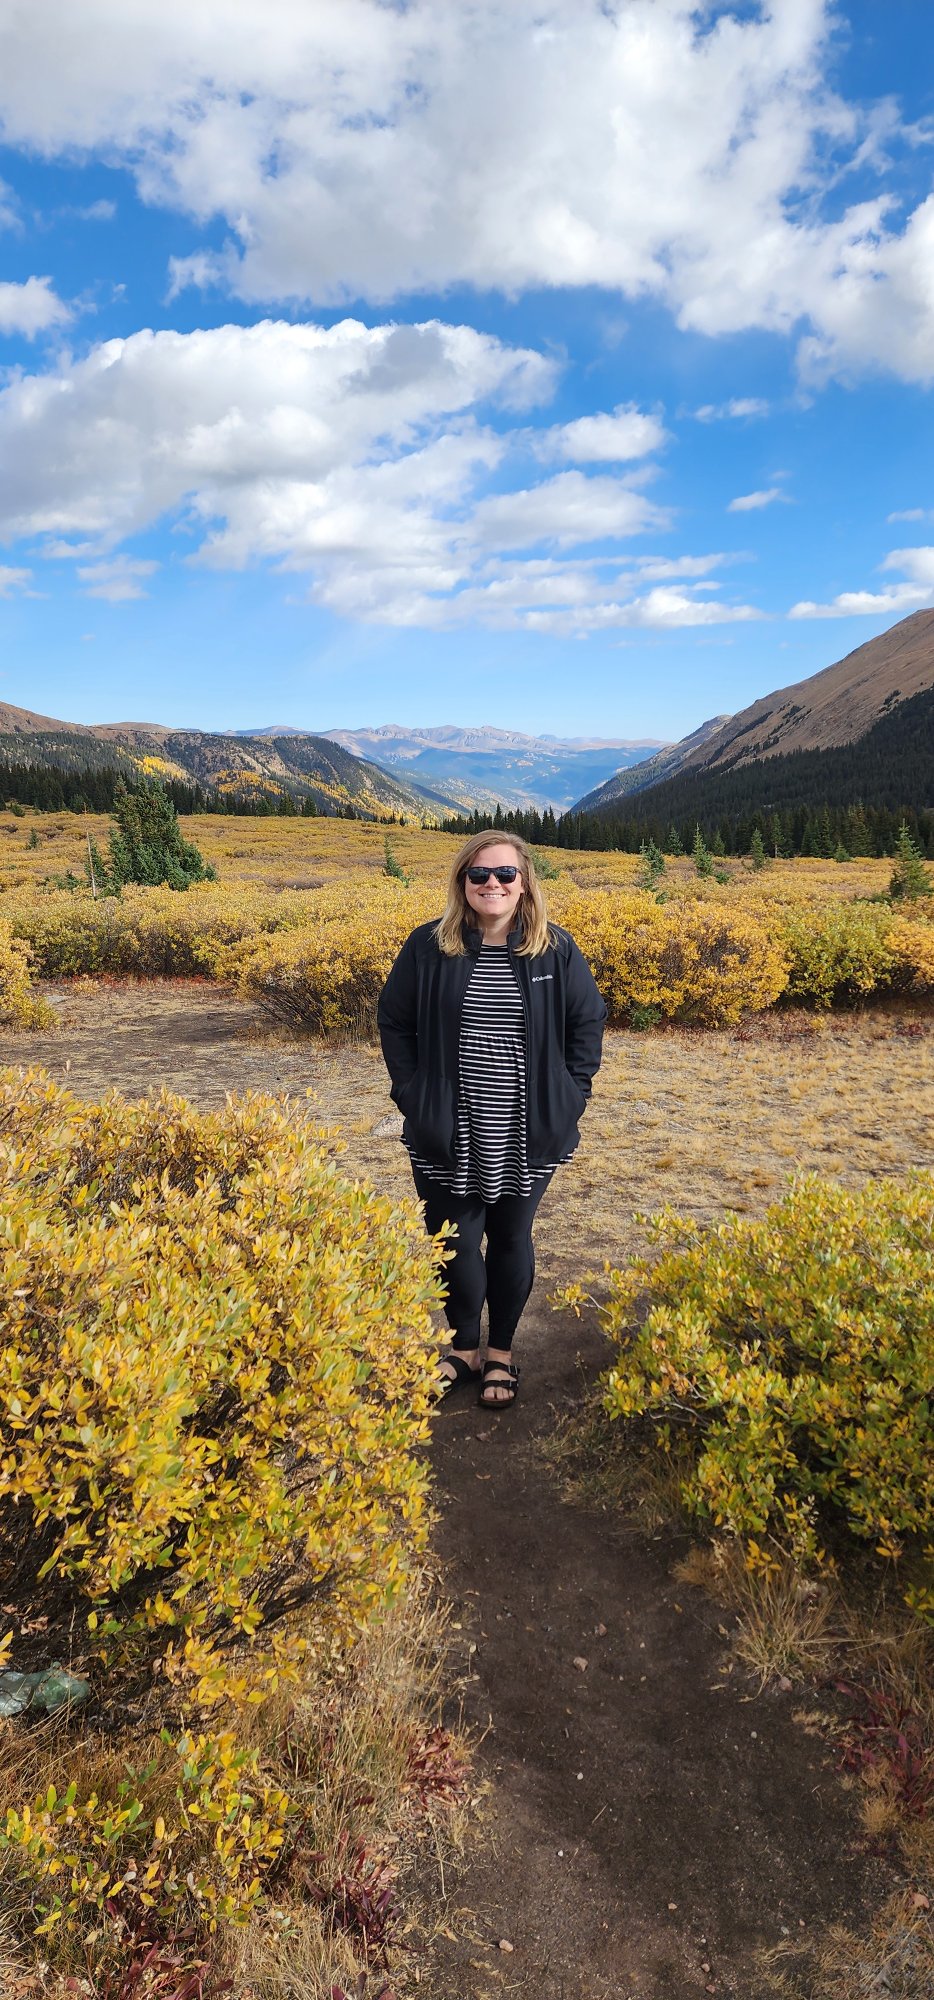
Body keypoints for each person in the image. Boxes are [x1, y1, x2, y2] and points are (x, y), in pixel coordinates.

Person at [377, 831, 606, 1409]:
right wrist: (411, 1092)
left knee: (509, 1236)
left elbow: (588, 1024)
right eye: (479, 875)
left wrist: (571, 1094)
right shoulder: (429, 947)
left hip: (527, 1129)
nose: (493, 885)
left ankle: (500, 1352)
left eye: (505, 874)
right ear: (462, 883)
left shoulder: (554, 950)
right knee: (453, 1241)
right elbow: (394, 1022)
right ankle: (462, 1348)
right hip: (448, 1128)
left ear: (524, 882)